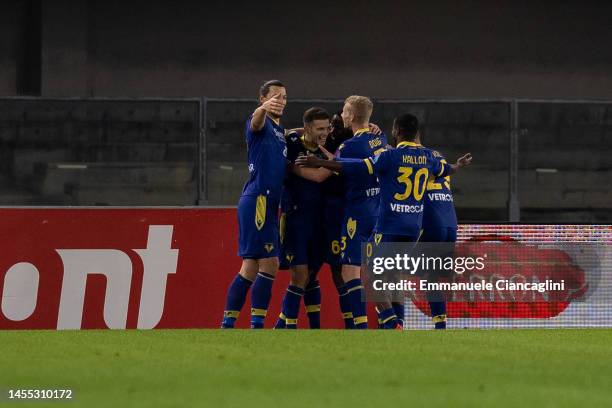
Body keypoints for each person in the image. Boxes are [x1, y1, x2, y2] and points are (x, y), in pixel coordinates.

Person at [296, 113, 472, 328]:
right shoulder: (430, 157)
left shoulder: (391, 156)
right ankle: (402, 322)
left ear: (396, 132)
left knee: (370, 277)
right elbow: (448, 169)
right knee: (394, 275)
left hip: (389, 224)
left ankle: (390, 321)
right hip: (414, 228)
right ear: (417, 133)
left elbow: (360, 166)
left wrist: (322, 162)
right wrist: (459, 165)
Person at [220, 79, 288, 329]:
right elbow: (256, 121)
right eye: (275, 96)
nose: (280, 100)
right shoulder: (259, 122)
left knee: (250, 267)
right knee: (269, 262)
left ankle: (229, 322)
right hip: (258, 199)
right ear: (262, 99)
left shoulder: (280, 132)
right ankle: (256, 323)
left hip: (270, 202)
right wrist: (260, 110)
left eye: (283, 97)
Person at [334, 95, 388, 329]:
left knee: (349, 271)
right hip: (379, 211)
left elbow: (333, 167)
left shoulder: (349, 146)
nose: (342, 115)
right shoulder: (381, 138)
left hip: (358, 212)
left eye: (345, 111)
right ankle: (391, 321)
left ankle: (360, 325)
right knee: (374, 273)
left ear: (353, 116)